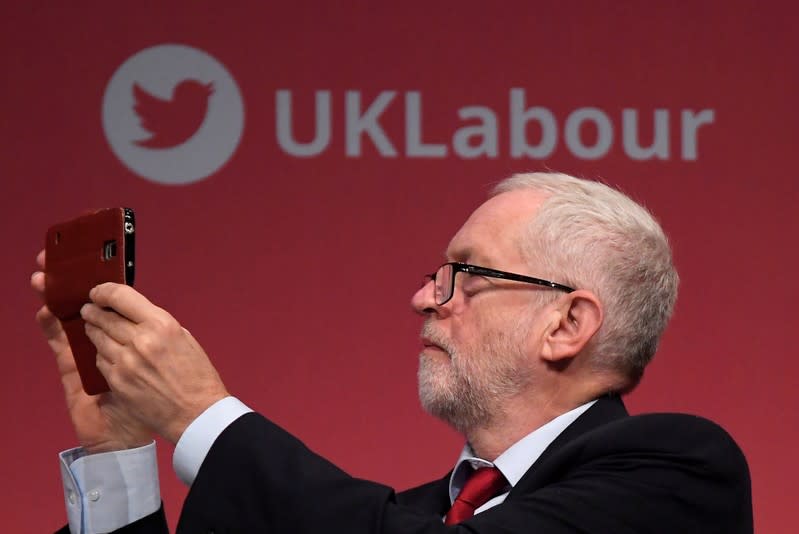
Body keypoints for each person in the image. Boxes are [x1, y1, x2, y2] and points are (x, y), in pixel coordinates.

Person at [33, 171, 753, 533]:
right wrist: (118, 455)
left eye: (465, 275)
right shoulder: (412, 514)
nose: (424, 299)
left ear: (565, 324)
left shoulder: (679, 475)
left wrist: (200, 415)